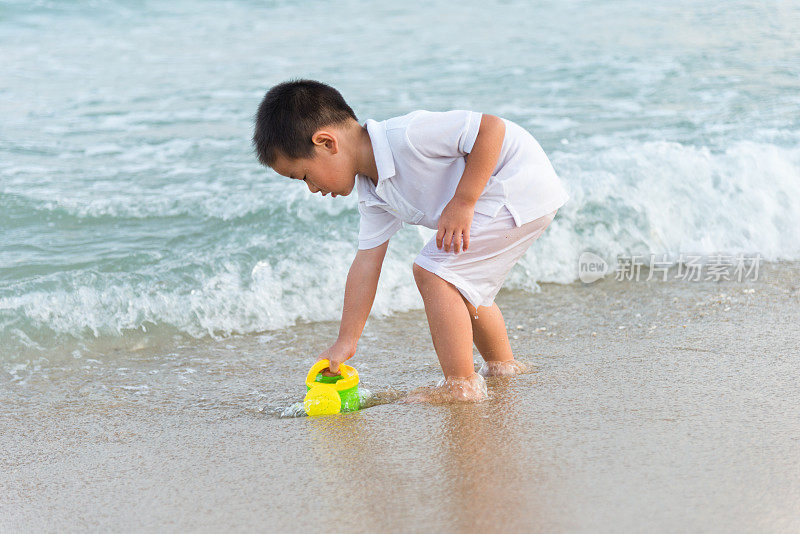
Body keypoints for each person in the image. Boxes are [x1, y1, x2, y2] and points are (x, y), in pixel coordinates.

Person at [252, 79, 569, 401]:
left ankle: (461, 385)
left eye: (304, 176)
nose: (312, 189)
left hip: (516, 182)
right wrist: (346, 340)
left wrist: (463, 201)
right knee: (461, 280)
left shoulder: (405, 136)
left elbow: (490, 128)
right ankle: (502, 366)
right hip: (514, 198)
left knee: (432, 272)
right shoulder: (373, 193)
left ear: (326, 143)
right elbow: (366, 263)